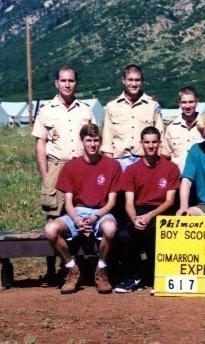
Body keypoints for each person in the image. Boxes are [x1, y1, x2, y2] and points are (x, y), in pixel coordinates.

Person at [44, 123, 123, 294]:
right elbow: (68, 202)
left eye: (96, 140)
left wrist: (95, 217)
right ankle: (72, 269)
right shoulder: (71, 166)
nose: (92, 144)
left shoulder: (112, 166)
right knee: (50, 229)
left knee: (110, 228)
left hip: (102, 212)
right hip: (77, 212)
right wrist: (76, 219)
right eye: (88, 140)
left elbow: (111, 203)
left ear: (100, 142)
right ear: (82, 141)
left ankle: (101, 270)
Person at [116, 127, 180, 293]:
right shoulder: (131, 170)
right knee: (123, 235)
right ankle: (135, 277)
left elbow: (169, 201)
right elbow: (129, 203)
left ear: (159, 143)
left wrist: (150, 215)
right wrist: (135, 218)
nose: (150, 146)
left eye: (154, 142)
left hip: (161, 211)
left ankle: (155, 277)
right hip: (138, 210)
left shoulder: (171, 168)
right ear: (141, 144)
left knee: (154, 233)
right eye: (147, 142)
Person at [32, 66, 96, 218]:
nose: (67, 85)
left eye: (71, 81)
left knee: (84, 214)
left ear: (76, 83)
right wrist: (46, 176)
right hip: (57, 167)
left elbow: (94, 141)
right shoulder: (46, 110)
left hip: (83, 167)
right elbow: (41, 145)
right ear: (56, 83)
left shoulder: (85, 110)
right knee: (54, 216)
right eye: (63, 81)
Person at [101, 64, 164, 171]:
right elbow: (107, 139)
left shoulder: (152, 105)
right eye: (130, 80)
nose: (134, 84)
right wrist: (109, 166)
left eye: (137, 80)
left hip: (145, 161)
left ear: (142, 81)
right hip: (119, 162)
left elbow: (160, 136)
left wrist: (157, 165)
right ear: (123, 80)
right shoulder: (112, 106)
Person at [160, 86, 203, 171]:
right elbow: (165, 157)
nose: (187, 106)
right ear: (179, 104)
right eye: (184, 102)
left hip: (201, 177)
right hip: (178, 177)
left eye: (191, 102)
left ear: (197, 103)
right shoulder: (171, 129)